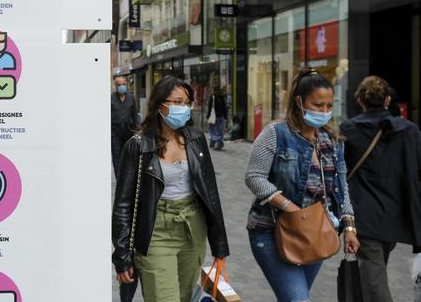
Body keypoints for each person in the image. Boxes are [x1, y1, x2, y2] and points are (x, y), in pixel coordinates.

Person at [244, 68, 359, 301]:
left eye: (329, 105)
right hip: (272, 231)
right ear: (299, 101)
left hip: (315, 234)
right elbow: (254, 176)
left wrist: (349, 227)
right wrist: (291, 208)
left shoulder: (333, 140)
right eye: (318, 105)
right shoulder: (276, 133)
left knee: (296, 297)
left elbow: (341, 187)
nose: (325, 111)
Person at [113, 75, 229, 302]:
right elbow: (123, 204)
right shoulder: (138, 145)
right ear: (159, 105)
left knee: (186, 296)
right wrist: (122, 254)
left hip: (193, 228)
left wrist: (219, 245)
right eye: (176, 102)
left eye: (186, 102)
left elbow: (210, 193)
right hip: (155, 231)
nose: (182, 108)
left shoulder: (196, 139)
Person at [340, 76, 421, 302]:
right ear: (387, 100)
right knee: (374, 271)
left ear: (360, 101)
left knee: (374, 278)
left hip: (364, 215)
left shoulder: (349, 129)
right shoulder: (410, 131)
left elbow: (341, 173)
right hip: (396, 213)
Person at [111, 76, 139, 178]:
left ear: (126, 85)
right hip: (115, 133)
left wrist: (137, 129)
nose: (121, 86)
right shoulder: (111, 98)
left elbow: (135, 114)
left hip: (128, 132)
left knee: (128, 155)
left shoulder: (131, 98)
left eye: (123, 84)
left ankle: (127, 177)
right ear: (115, 86)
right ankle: (119, 179)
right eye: (119, 85)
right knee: (117, 156)